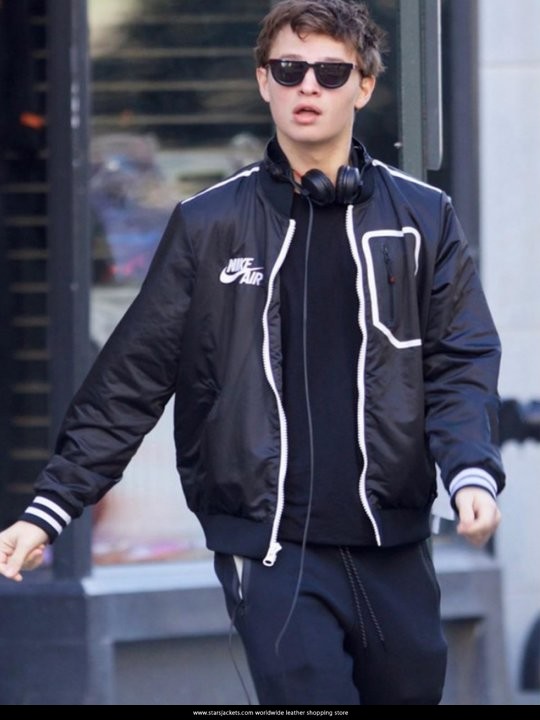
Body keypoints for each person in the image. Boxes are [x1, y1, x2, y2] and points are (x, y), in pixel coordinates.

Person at [0, 0, 504, 706]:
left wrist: (471, 471)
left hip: (394, 542)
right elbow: (130, 381)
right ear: (263, 80)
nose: (308, 87)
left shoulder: (424, 217)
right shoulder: (209, 225)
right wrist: (48, 510)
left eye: (331, 73)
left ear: (364, 86)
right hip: (272, 553)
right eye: (289, 69)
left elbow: (459, 361)